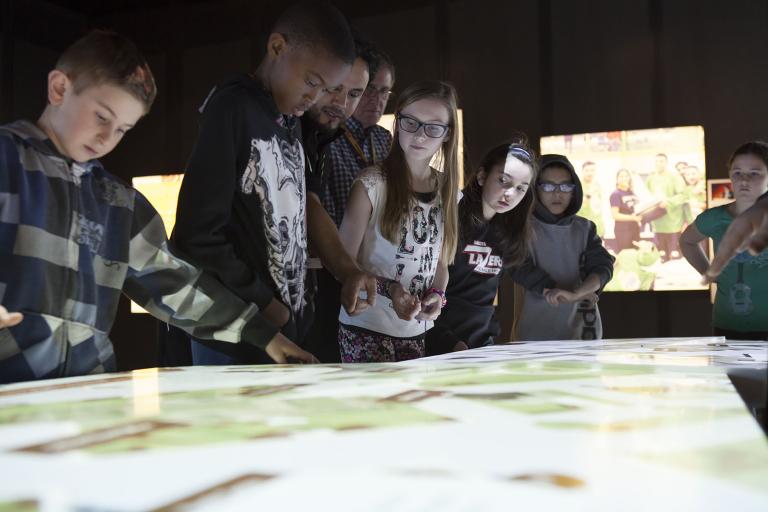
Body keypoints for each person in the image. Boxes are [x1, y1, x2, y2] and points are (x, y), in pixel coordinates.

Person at [0, 30, 314, 384]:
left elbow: (176, 286)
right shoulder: (8, 160)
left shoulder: (118, 202)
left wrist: (264, 336)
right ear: (59, 88)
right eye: (102, 117)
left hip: (86, 387)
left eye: (123, 129)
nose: (107, 138)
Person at [170, 2, 371, 365]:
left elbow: (303, 212)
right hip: (233, 333)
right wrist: (265, 303)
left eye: (326, 89)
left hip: (283, 332)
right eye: (312, 82)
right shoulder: (232, 106)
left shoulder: (291, 118)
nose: (315, 98)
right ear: (277, 47)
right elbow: (195, 236)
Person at [337, 80, 460, 362]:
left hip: (416, 330)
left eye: (433, 127)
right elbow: (342, 262)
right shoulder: (371, 184)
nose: (419, 135)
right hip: (366, 326)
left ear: (447, 134)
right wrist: (389, 288)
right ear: (398, 122)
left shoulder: (448, 191)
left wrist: (438, 295)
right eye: (410, 123)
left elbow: (440, 262)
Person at [425, 142, 537, 355]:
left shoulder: (507, 231)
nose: (510, 193)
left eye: (520, 188)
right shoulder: (451, 216)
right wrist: (448, 342)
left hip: (482, 346)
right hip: (438, 341)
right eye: (503, 180)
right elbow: (424, 285)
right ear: (482, 176)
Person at [301, 39, 374, 363]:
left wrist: (349, 272)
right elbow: (310, 206)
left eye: (355, 93)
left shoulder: (320, 137)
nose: (342, 102)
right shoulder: (277, 121)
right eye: (334, 88)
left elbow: (310, 202)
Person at [512, 154, 614, 341]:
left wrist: (577, 294)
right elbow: (519, 269)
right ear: (535, 189)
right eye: (548, 186)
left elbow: (603, 267)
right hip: (535, 337)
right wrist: (557, 291)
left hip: (584, 333)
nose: (557, 194)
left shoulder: (585, 228)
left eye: (565, 186)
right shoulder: (522, 229)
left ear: (574, 190)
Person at [680, 142, 768, 340]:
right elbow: (687, 242)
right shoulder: (714, 218)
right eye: (737, 173)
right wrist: (710, 273)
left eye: (754, 173)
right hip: (727, 327)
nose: (744, 180)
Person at [323, 48, 395, 226]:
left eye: (384, 91)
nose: (376, 100)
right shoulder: (328, 136)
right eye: (369, 90)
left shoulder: (385, 138)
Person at [646, 153, 687, 261]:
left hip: (673, 223)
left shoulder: (675, 177)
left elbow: (683, 195)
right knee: (661, 255)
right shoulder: (650, 179)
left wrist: (668, 202)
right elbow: (646, 196)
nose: (659, 163)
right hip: (657, 223)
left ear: (666, 163)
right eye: (657, 161)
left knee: (674, 255)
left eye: (661, 161)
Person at [609, 168, 641, 252]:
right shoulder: (615, 194)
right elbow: (615, 215)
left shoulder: (632, 193)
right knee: (626, 256)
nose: (624, 178)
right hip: (623, 231)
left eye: (626, 176)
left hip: (635, 229)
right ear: (617, 179)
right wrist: (633, 218)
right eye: (621, 176)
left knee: (636, 255)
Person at [577, 161, 605, 237]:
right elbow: (577, 207)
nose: (590, 173)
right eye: (587, 170)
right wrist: (588, 195)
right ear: (582, 171)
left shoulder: (597, 185)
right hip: (584, 229)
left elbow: (599, 206)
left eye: (592, 170)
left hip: (598, 227)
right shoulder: (577, 186)